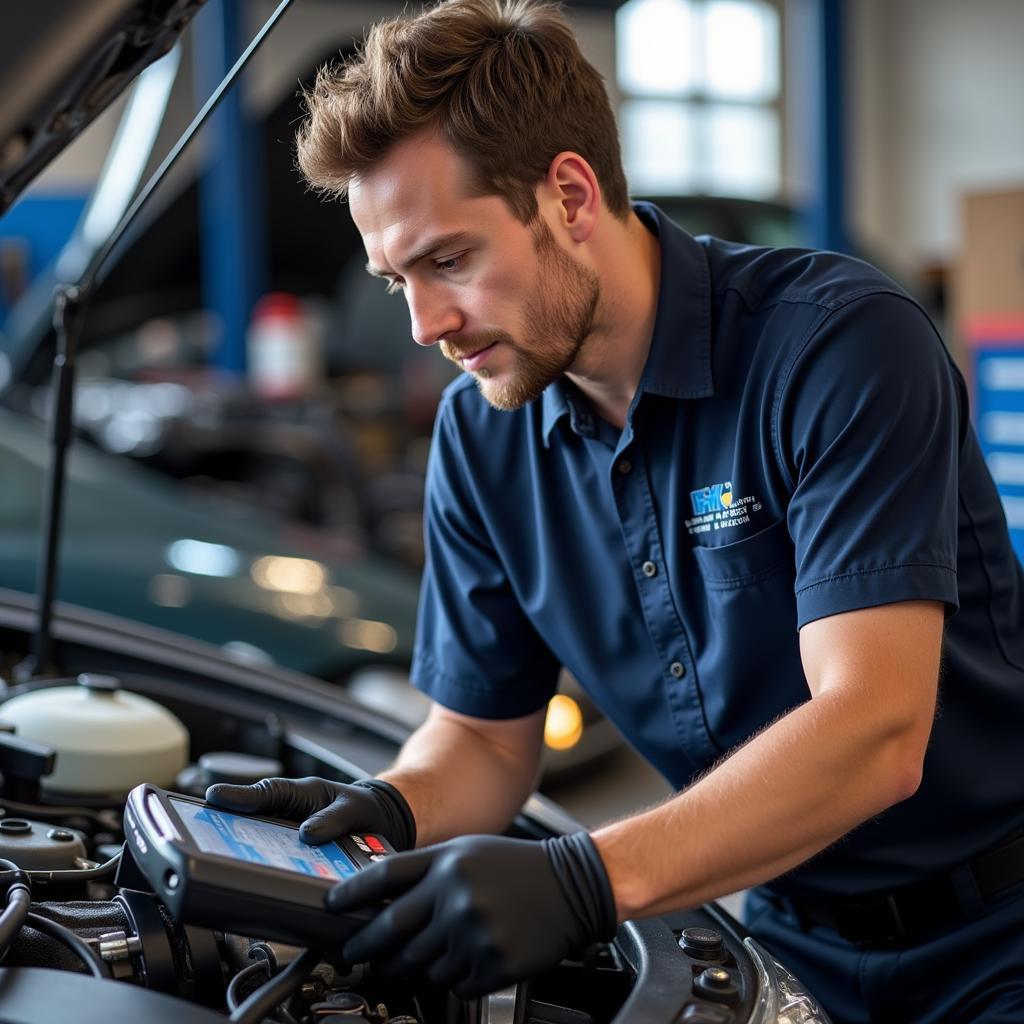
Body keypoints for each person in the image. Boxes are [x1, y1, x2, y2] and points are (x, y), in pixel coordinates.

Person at [207, 0, 1024, 1018]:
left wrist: (582, 878)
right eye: (395, 279)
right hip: (777, 932)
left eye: (449, 259)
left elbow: (873, 727)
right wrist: (387, 812)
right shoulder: (481, 438)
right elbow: (484, 741)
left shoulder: (836, 349)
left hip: (996, 934)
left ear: (569, 195)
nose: (423, 324)